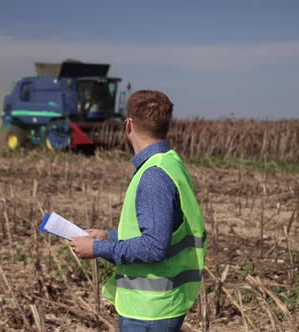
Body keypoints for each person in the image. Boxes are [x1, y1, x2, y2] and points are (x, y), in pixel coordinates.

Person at [70, 90, 207, 331]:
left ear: (129, 125)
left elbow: (154, 246)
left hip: (150, 309)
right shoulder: (170, 162)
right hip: (161, 304)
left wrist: (97, 248)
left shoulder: (154, 176)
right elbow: (164, 230)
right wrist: (108, 236)